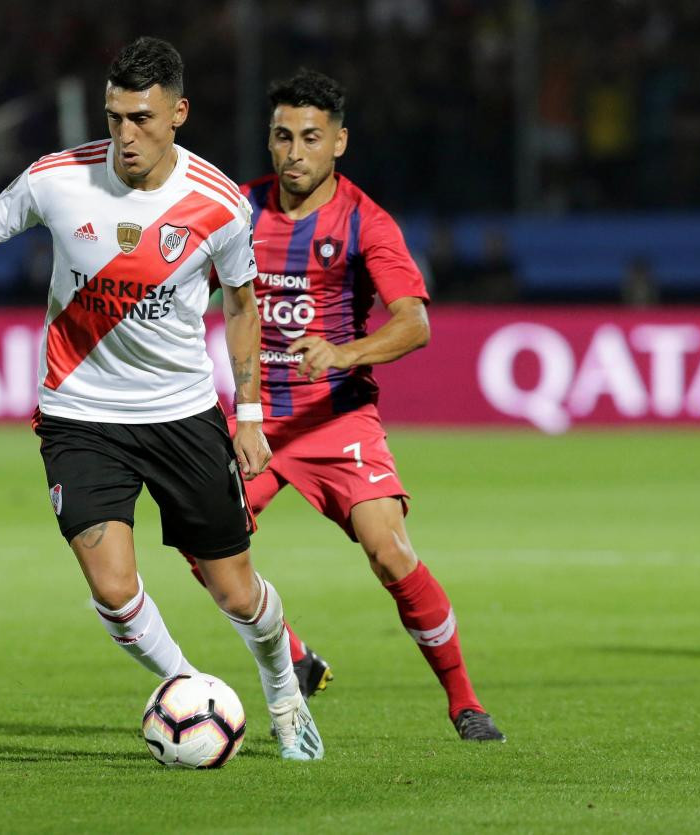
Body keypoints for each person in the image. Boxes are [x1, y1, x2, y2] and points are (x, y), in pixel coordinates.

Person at [0, 37, 323, 761]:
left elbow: (240, 307)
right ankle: (190, 689)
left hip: (182, 415)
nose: (125, 136)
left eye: (140, 118)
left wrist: (250, 414)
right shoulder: (56, 179)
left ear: (178, 114)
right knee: (112, 586)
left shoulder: (220, 204)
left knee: (234, 590)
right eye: (114, 118)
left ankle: (284, 693)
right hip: (79, 414)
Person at [182, 69, 504, 741]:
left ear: (339, 143)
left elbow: (414, 322)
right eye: (281, 136)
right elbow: (178, 284)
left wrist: (344, 351)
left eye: (309, 137)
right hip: (256, 417)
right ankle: (294, 654)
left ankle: (465, 702)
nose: (294, 151)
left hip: (337, 416)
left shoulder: (365, 221)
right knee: (198, 536)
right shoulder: (236, 209)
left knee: (389, 553)